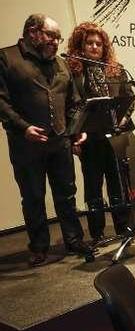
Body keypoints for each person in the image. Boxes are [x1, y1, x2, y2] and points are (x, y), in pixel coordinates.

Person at [0, 14, 92, 266]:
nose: (56, 41)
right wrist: (23, 127)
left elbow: (73, 101)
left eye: (57, 37)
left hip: (60, 141)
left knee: (67, 193)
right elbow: (2, 102)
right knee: (33, 196)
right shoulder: (7, 58)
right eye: (51, 36)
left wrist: (76, 129)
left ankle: (73, 239)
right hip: (26, 143)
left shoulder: (60, 63)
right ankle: (39, 247)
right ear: (33, 32)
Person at [66, 21, 134, 243]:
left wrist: (124, 117)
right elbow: (70, 105)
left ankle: (123, 227)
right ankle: (97, 233)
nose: (95, 47)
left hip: (116, 135)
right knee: (93, 184)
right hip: (89, 138)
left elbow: (128, 96)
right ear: (80, 45)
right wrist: (74, 136)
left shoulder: (116, 69)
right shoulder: (73, 72)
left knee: (118, 182)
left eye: (99, 44)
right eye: (89, 43)